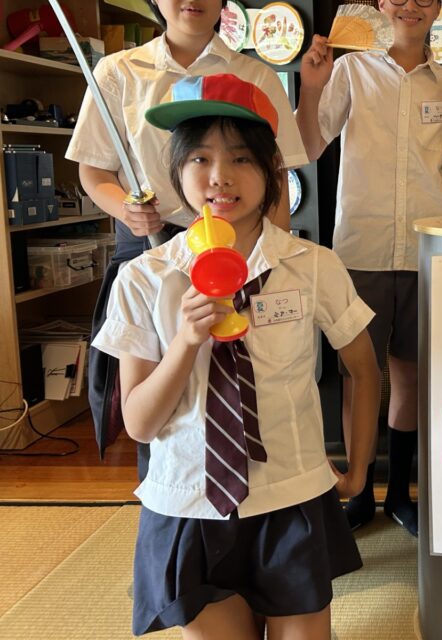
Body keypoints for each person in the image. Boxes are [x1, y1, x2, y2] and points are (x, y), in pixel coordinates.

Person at [91, 73, 379, 638]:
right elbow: (140, 424)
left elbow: (363, 369)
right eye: (199, 158)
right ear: (176, 172)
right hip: (190, 504)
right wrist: (185, 341)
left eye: (241, 158)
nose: (220, 176)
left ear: (272, 170)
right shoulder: (145, 278)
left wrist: (360, 470)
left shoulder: (312, 266)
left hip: (293, 496)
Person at [66, 0, 308, 462]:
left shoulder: (255, 75)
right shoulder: (118, 73)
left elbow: (276, 179)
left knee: (240, 379)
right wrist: (126, 210)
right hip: (150, 250)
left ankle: (249, 490)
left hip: (237, 252)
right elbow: (93, 173)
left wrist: (273, 259)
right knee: (157, 395)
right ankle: (166, 494)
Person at [297, 0, 442, 537]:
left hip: (425, 250)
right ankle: (357, 489)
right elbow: (308, 145)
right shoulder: (351, 71)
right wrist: (310, 87)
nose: (411, 5)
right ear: (380, 3)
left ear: (438, 8)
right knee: (359, 372)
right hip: (359, 247)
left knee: (410, 375)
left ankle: (401, 493)